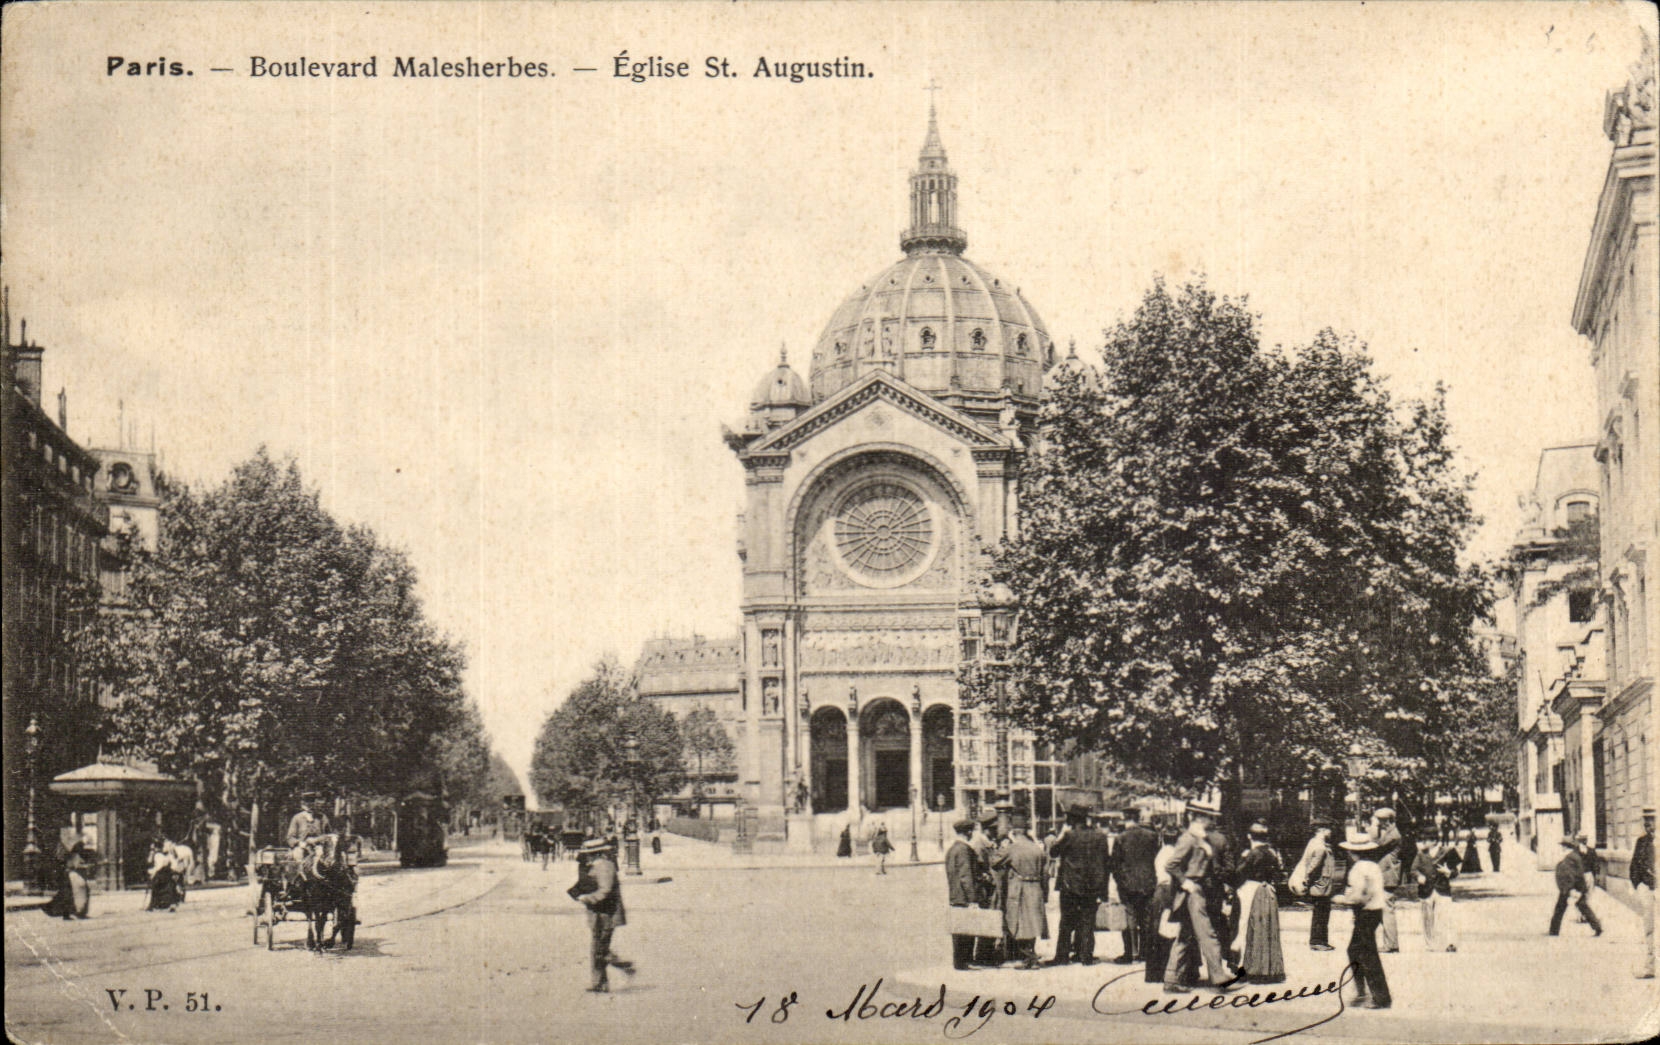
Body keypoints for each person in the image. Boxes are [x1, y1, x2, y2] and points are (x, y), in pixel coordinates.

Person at [1162, 800, 1234, 993]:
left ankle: (1171, 980)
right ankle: (1219, 977)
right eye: (1207, 817)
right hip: (1194, 892)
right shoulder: (1189, 838)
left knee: (1185, 936)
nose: (1211, 821)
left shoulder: (1200, 838)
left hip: (1197, 891)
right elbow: (1171, 864)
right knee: (1208, 934)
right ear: (1198, 818)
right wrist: (1186, 882)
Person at [1047, 805, 1111, 966]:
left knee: (1067, 921)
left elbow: (1053, 852)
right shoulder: (1100, 837)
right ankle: (1085, 955)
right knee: (1088, 921)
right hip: (1092, 886)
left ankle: (1062, 956)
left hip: (1070, 885)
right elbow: (1106, 863)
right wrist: (1103, 889)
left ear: (1071, 820)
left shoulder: (1069, 836)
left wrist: (1061, 833)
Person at [1336, 828, 1391, 1009]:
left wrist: (1342, 899)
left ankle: (1379, 997)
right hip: (1375, 911)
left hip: (1365, 912)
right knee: (1355, 950)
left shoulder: (1358, 869)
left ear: (1353, 852)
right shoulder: (1374, 866)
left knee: (1367, 954)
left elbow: (1360, 895)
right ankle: (1363, 992)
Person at [573, 837, 635, 993]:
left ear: (597, 853)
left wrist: (586, 898)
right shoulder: (595, 866)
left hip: (607, 913)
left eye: (589, 853)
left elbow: (605, 890)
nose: (586, 856)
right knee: (597, 948)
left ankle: (620, 966)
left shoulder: (605, 866)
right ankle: (601, 983)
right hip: (598, 913)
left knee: (599, 949)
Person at [992, 814, 1048, 969]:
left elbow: (994, 862)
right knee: (1033, 923)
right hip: (1036, 888)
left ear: (1013, 831)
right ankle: (1031, 955)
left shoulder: (1012, 848)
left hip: (1019, 889)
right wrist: (1045, 892)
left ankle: (1029, 958)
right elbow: (1046, 874)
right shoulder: (1037, 849)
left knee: (1018, 923)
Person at [1235, 823, 1285, 983]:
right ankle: (1268, 967)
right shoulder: (1272, 853)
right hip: (1268, 890)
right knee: (1267, 927)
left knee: (1246, 926)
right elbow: (1278, 873)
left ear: (1249, 836)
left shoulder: (1251, 854)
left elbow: (1239, 874)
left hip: (1250, 889)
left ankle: (1246, 965)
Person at [1113, 809, 1159, 966]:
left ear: (1125, 818)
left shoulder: (1120, 838)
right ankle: (1146, 952)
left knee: (1130, 917)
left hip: (1128, 884)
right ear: (1138, 818)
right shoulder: (1152, 836)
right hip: (1148, 883)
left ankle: (1132, 952)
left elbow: (1115, 863)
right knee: (1146, 918)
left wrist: (1120, 882)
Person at [1296, 822, 1341, 952]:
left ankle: (1321, 941)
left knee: (1320, 912)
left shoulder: (1313, 842)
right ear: (1321, 830)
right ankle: (1317, 941)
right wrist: (1308, 879)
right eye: (1328, 829)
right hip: (1321, 885)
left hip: (1319, 885)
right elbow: (1313, 867)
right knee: (1321, 914)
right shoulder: (1320, 846)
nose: (1330, 832)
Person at [1144, 826, 1180, 985]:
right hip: (1169, 891)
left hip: (1160, 891)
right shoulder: (1175, 854)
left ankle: (1154, 972)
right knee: (1170, 931)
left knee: (1156, 931)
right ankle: (1168, 970)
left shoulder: (1161, 853)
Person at [1548, 835, 1602, 937]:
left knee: (1561, 908)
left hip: (1571, 887)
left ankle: (1554, 930)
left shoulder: (1569, 858)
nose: (1561, 847)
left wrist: (1570, 889)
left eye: (1562, 845)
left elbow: (1568, 874)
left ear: (1565, 846)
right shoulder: (1573, 856)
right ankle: (1597, 926)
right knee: (1581, 906)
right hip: (1575, 886)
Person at [1413, 838, 1460, 952]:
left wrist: (1447, 872)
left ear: (1434, 840)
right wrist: (1419, 876)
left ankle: (1450, 943)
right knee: (1427, 919)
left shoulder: (1447, 852)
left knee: (1446, 917)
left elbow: (1456, 871)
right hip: (1426, 890)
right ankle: (1430, 944)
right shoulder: (1420, 854)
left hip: (1442, 889)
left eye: (1426, 839)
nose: (1424, 842)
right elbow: (1413, 869)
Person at [945, 818, 980, 970]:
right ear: (968, 832)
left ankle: (959, 961)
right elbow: (966, 876)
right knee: (966, 930)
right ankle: (963, 961)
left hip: (954, 894)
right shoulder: (964, 850)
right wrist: (972, 899)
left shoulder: (952, 849)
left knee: (958, 928)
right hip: (964, 896)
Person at [970, 810, 1003, 967]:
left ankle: (988, 953)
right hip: (986, 890)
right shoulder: (979, 844)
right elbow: (978, 869)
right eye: (993, 829)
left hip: (992, 888)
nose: (995, 831)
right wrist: (988, 880)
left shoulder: (988, 842)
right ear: (987, 828)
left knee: (992, 920)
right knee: (986, 921)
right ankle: (983, 955)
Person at [1370, 808, 1402, 953]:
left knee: (1387, 910)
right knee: (1386, 909)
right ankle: (1390, 943)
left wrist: (1373, 826)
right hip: (1385, 874)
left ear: (1388, 820)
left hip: (1387, 876)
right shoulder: (1391, 832)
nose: (1380, 823)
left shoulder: (1393, 835)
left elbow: (1375, 844)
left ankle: (1391, 944)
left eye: (1381, 820)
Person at [44, 838, 93, 920]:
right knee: (75, 894)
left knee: (68, 896)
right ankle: (79, 912)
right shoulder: (76, 856)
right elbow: (75, 866)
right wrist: (86, 866)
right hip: (72, 876)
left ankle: (73, 913)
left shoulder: (71, 855)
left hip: (68, 876)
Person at [1632, 808, 1654, 979]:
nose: (1649, 824)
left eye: (1653, 819)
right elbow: (1634, 867)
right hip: (1648, 889)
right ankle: (1650, 967)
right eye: (1646, 820)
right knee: (1650, 929)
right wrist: (1639, 886)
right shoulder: (1642, 842)